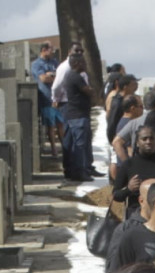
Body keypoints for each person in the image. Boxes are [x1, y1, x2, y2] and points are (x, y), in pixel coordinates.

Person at [111, 126, 155, 218]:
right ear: (137, 143)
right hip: (136, 216)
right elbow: (116, 195)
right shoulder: (128, 164)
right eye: (144, 139)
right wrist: (129, 189)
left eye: (152, 138)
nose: (148, 141)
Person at [60, 54, 95, 182]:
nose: (85, 65)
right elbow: (88, 91)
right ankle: (81, 171)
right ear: (76, 64)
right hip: (78, 115)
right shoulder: (75, 76)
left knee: (75, 144)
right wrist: (90, 90)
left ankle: (73, 170)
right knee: (80, 145)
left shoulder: (71, 75)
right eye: (83, 63)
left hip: (75, 115)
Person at [30, 43, 63, 158]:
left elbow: (60, 76)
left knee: (61, 123)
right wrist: (52, 77)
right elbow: (43, 79)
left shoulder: (54, 62)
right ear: (44, 50)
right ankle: (54, 149)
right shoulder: (36, 64)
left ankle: (65, 147)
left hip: (57, 98)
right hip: (46, 97)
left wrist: (51, 76)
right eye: (51, 50)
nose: (53, 53)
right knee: (50, 125)